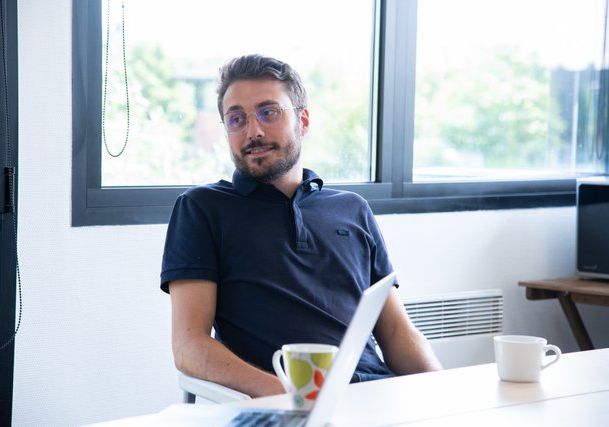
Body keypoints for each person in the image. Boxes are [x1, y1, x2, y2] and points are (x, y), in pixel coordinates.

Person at [160, 54, 442, 398]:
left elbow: (397, 332)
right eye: (236, 119)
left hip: (374, 396)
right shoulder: (202, 208)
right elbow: (189, 347)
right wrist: (295, 400)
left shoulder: (352, 209)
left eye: (269, 112)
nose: (253, 131)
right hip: (288, 402)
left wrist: (443, 393)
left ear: (303, 120)